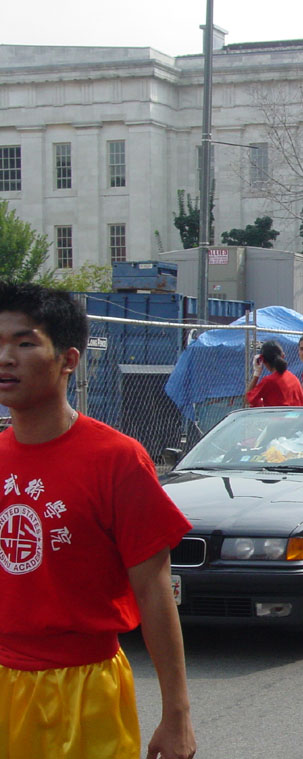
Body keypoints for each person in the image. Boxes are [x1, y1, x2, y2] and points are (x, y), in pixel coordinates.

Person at [0, 282, 196, 759]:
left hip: (83, 690)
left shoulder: (117, 460)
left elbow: (154, 592)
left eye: (24, 344)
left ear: (68, 359)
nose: (5, 358)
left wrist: (177, 716)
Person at [246, 340, 303, 407]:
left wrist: (256, 374)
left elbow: (248, 400)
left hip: (280, 414)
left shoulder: (269, 381)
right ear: (283, 356)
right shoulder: (292, 377)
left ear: (263, 361)